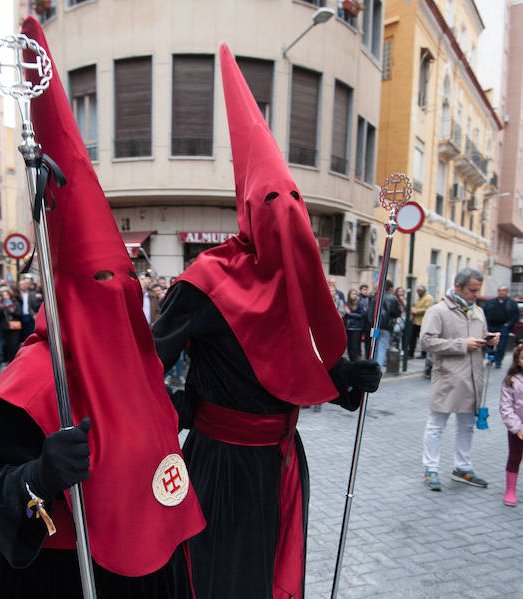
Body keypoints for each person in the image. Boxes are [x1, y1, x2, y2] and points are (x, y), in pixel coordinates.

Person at [0, 17, 205, 598]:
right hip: (59, 581)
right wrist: (38, 477)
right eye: (100, 280)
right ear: (69, 292)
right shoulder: (29, 383)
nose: (118, 293)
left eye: (123, 278)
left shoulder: (140, 366)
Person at [152, 45, 381, 599]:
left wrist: (347, 379)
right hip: (222, 467)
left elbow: (298, 362)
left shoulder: (297, 282)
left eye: (293, 201)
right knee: (224, 580)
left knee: (273, 577)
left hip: (282, 461)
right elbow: (143, 366)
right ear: (250, 206)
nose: (285, 210)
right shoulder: (203, 282)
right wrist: (177, 411)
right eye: (271, 199)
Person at [420, 268, 499, 491]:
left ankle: (462, 467)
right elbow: (426, 342)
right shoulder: (438, 311)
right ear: (457, 286)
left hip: (473, 378)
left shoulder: (478, 311)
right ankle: (431, 468)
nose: (475, 294)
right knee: (437, 425)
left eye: (477, 290)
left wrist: (489, 340)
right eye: (472, 290)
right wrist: (462, 344)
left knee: (467, 426)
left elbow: (479, 338)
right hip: (448, 378)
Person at [499, 344, 523, 507]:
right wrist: (517, 428)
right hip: (518, 429)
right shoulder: (511, 381)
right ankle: (510, 490)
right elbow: (505, 407)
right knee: (514, 458)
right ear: (518, 361)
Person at [483, 284, 519, 369]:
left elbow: (515, 316)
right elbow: (484, 312)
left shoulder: (512, 303)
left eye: (503, 290)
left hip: (503, 326)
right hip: (491, 326)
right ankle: (491, 358)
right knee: (489, 343)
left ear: (507, 292)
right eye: (500, 290)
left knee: (501, 345)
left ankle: (498, 361)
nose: (501, 292)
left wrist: (508, 324)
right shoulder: (490, 302)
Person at [373, 280, 402, 368]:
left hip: (375, 327)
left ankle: (373, 366)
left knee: (375, 346)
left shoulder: (375, 297)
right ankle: (378, 368)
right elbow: (397, 313)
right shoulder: (392, 298)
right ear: (390, 288)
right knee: (382, 347)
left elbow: (370, 313)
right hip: (386, 327)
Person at [409, 285, 434, 359]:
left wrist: (415, 311)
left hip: (423, 321)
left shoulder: (428, 298)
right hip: (416, 321)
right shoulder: (420, 298)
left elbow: (427, 309)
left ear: (423, 290)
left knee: (422, 338)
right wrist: (413, 309)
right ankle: (411, 353)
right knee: (412, 338)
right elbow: (417, 306)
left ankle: (423, 353)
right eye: (417, 291)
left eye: (419, 291)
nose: (418, 292)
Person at [0, 288, 23, 363]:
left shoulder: (16, 303)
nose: (5, 296)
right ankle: (9, 360)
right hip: (5, 327)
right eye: (3, 295)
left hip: (15, 327)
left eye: (6, 294)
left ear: (10, 295)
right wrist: (0, 309)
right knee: (7, 344)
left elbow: (20, 314)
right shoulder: (2, 304)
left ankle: (15, 360)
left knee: (14, 344)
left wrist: (12, 311)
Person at [344, 288, 366, 361]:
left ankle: (355, 362)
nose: (354, 296)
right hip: (348, 327)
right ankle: (351, 361)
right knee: (349, 346)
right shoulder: (347, 303)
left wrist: (350, 313)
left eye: (355, 294)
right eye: (352, 294)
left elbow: (362, 315)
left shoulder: (360, 303)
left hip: (357, 328)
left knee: (354, 346)